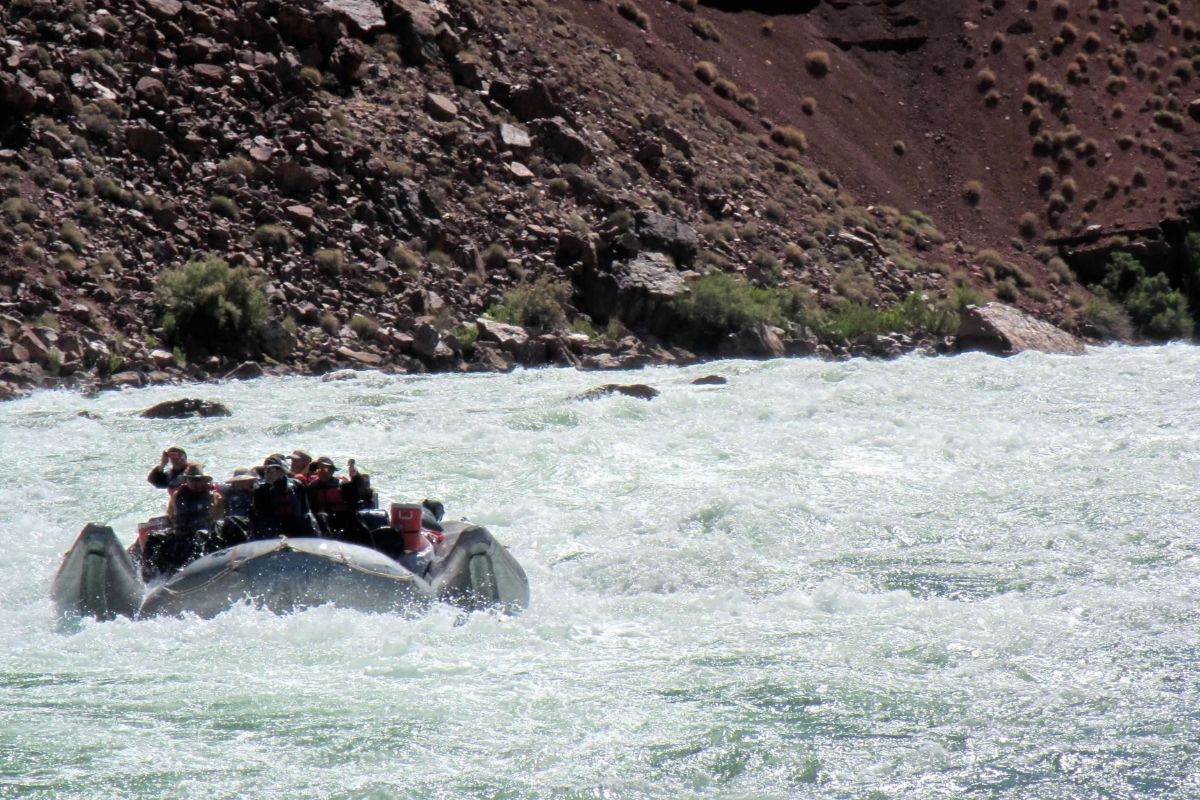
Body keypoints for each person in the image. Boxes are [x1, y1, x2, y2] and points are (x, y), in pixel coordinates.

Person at [307, 456, 372, 537]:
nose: (322, 472)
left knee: (362, 528)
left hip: (342, 517)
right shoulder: (311, 487)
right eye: (319, 469)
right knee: (321, 518)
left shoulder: (342, 485)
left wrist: (355, 476)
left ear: (332, 471)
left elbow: (358, 492)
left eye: (326, 469)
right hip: (322, 519)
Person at [251, 456, 316, 538]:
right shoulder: (260, 490)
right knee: (264, 521)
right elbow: (261, 514)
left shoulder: (296, 485)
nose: (268, 473)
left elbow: (304, 509)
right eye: (266, 470)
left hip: (295, 524)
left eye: (271, 470)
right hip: (272, 527)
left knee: (307, 518)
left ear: (282, 472)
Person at [166, 463, 225, 533]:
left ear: (203, 480)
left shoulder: (214, 495)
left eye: (197, 480)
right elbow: (170, 512)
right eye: (191, 479)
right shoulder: (177, 494)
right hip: (183, 530)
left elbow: (219, 516)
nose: (194, 483)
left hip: (206, 530)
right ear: (186, 481)